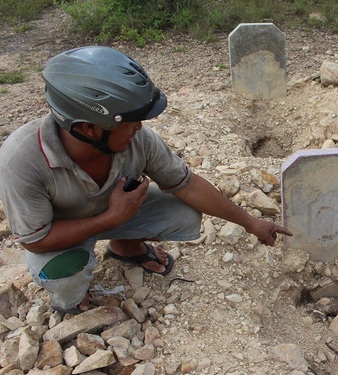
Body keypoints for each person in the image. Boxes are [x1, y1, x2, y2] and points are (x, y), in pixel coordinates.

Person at [0, 46, 292, 314]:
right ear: (89, 128)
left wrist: (251, 222)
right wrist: (111, 218)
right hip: (59, 235)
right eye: (130, 122)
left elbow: (187, 185)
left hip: (113, 215)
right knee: (65, 277)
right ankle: (73, 300)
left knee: (184, 213)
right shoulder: (22, 161)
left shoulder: (138, 140)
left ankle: (123, 248)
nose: (139, 128)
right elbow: (35, 240)